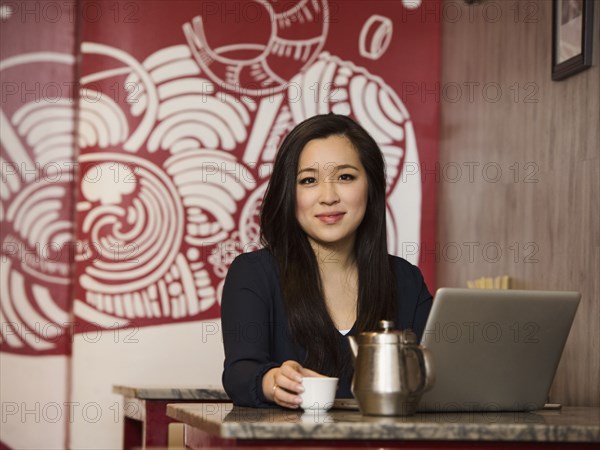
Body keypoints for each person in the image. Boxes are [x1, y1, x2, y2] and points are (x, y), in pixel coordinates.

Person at [221, 113, 432, 409]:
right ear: (289, 193)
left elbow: (438, 376)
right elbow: (239, 373)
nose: (328, 196)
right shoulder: (254, 274)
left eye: (345, 177)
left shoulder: (405, 280)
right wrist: (272, 381)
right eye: (309, 180)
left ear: (370, 186)